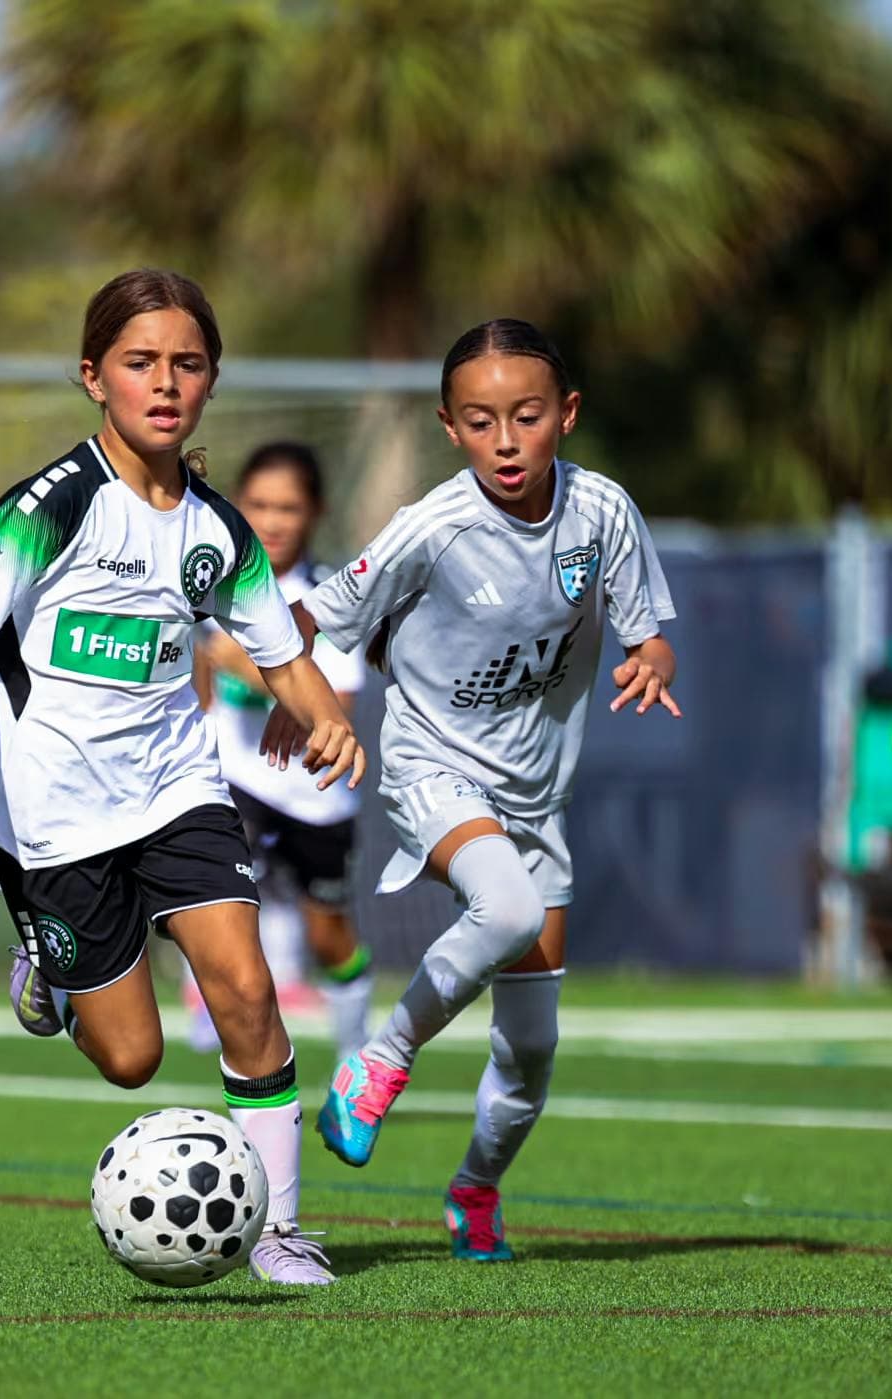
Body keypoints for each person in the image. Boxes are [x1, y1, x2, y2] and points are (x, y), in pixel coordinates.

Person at [0, 269, 365, 1283]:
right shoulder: (51, 505)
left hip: (176, 788)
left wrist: (326, 716)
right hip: (53, 813)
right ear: (93, 376)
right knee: (133, 1060)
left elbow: (279, 650)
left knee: (247, 988)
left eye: (187, 364)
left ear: (211, 382)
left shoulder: (219, 530)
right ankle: (50, 970)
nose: (165, 382)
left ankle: (281, 1231)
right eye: (140, 362)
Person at [268, 318, 678, 1260]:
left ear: (566, 414)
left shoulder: (602, 513)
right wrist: (298, 693)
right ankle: (377, 1062)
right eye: (481, 421)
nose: (506, 440)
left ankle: (475, 1190)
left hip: (537, 799)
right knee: (506, 907)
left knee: (530, 1052)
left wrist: (652, 658)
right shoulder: (433, 526)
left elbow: (648, 633)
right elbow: (309, 616)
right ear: (449, 427)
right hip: (432, 765)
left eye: (526, 416)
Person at [190, 442, 377, 1061]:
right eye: (258, 505)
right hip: (235, 778)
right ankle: (221, 1019)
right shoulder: (214, 580)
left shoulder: (331, 598)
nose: (271, 522)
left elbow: (335, 706)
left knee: (329, 935)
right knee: (215, 901)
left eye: (287, 508)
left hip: (313, 796)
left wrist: (242, 662)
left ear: (315, 512)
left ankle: (356, 1056)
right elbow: (202, 675)